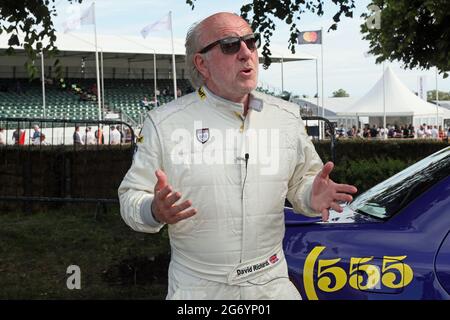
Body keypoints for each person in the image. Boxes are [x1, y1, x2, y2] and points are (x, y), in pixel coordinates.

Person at [118, 12, 357, 300]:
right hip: (198, 289)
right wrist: (153, 210)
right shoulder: (164, 123)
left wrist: (311, 196)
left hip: (271, 284)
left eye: (251, 42)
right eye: (230, 45)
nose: (246, 53)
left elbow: (302, 183)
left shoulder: (286, 117)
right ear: (201, 63)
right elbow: (131, 196)